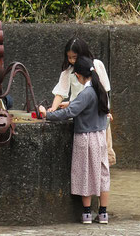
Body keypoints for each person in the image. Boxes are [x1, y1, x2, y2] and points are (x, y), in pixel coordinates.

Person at [46, 56, 111, 224]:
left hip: (85, 137)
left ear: (78, 76)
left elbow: (69, 113)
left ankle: (87, 213)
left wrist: (47, 114)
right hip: (100, 136)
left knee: (85, 172)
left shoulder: (86, 93)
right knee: (103, 173)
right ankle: (103, 213)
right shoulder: (100, 90)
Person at [40, 37, 116, 166]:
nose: (71, 61)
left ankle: (102, 168)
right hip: (79, 111)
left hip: (96, 111)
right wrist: (54, 107)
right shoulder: (68, 71)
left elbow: (103, 91)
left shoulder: (96, 65)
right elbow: (61, 92)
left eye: (74, 57)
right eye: (69, 57)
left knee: (104, 145)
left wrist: (106, 110)